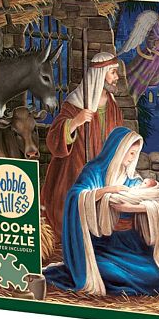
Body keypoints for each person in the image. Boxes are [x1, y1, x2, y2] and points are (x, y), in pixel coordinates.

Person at [44, 127, 159, 298]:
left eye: (135, 153)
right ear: (118, 149)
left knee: (155, 275)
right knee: (104, 270)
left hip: (131, 244)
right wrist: (109, 190)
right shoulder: (95, 171)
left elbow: (151, 202)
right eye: (130, 153)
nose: (133, 158)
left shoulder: (133, 178)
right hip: (100, 244)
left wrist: (131, 208)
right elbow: (76, 196)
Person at [41, 52, 124, 240]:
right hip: (76, 170)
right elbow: (53, 138)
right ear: (100, 74)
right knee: (75, 220)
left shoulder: (113, 106)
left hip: (103, 172)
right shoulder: (76, 103)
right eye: (113, 72)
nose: (117, 77)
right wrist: (74, 122)